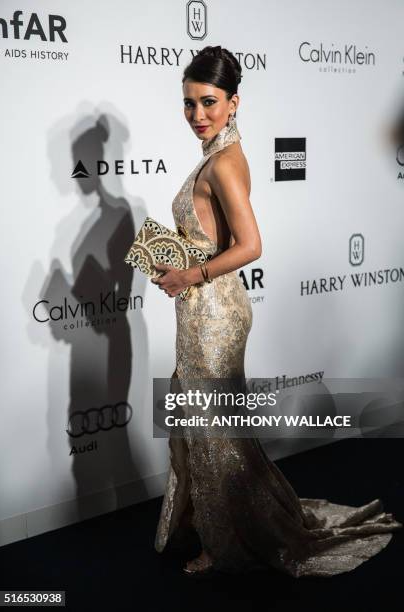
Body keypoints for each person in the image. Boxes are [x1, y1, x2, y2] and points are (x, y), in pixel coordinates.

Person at [151, 45, 402, 576]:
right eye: (189, 104)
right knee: (203, 423)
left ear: (234, 101)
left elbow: (250, 245)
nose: (198, 115)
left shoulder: (223, 163)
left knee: (214, 430)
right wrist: (176, 258)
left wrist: (190, 274)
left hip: (214, 314)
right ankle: (212, 517)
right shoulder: (220, 154)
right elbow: (215, 238)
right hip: (204, 305)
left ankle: (226, 539)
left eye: (210, 102)